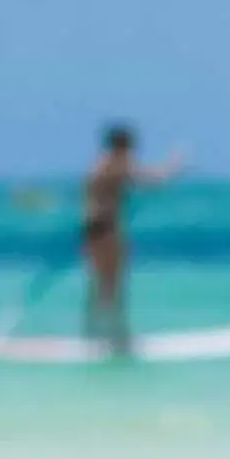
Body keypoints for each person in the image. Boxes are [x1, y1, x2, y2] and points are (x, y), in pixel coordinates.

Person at [79, 122, 185, 349]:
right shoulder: (116, 164)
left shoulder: (99, 166)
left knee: (99, 285)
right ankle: (118, 338)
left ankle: (92, 335)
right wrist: (174, 167)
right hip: (106, 230)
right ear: (123, 146)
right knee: (113, 285)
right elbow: (150, 180)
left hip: (92, 230)